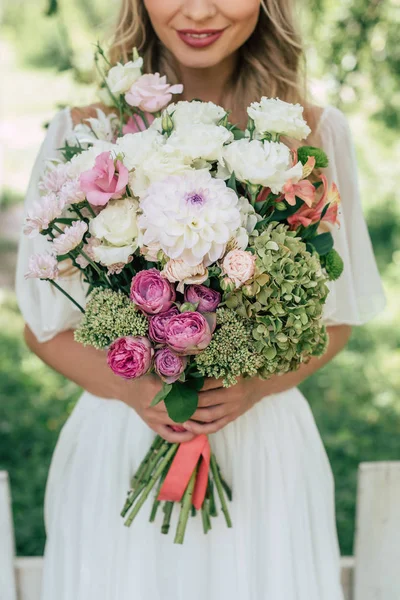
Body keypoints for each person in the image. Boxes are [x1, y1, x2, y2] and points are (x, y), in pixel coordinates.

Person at [16, 1, 386, 599]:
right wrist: (137, 391)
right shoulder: (84, 132)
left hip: (262, 446)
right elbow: (42, 325)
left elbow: (337, 320)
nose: (199, 10)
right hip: (125, 435)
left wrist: (257, 384)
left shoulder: (315, 133)